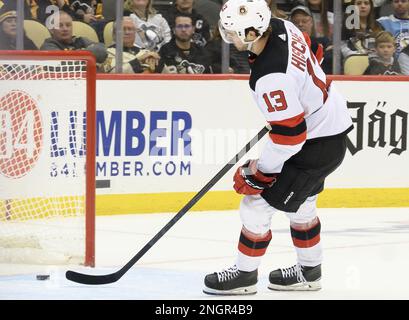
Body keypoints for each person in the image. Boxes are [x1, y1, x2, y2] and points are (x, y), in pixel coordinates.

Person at [203, 0, 353, 295]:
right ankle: (309, 271)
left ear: (249, 34)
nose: (227, 36)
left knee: (255, 207)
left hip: (315, 143)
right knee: (304, 205)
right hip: (327, 128)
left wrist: (261, 173)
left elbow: (290, 136)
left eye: (232, 31)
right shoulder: (284, 25)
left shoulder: (271, 77)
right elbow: (308, 47)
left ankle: (244, 277)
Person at [41, 10, 107, 65]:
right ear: (51, 30)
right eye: (60, 25)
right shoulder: (48, 46)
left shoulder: (81, 40)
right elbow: (64, 64)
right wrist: (88, 53)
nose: (65, 29)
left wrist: (76, 55)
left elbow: (102, 50)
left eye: (68, 25)